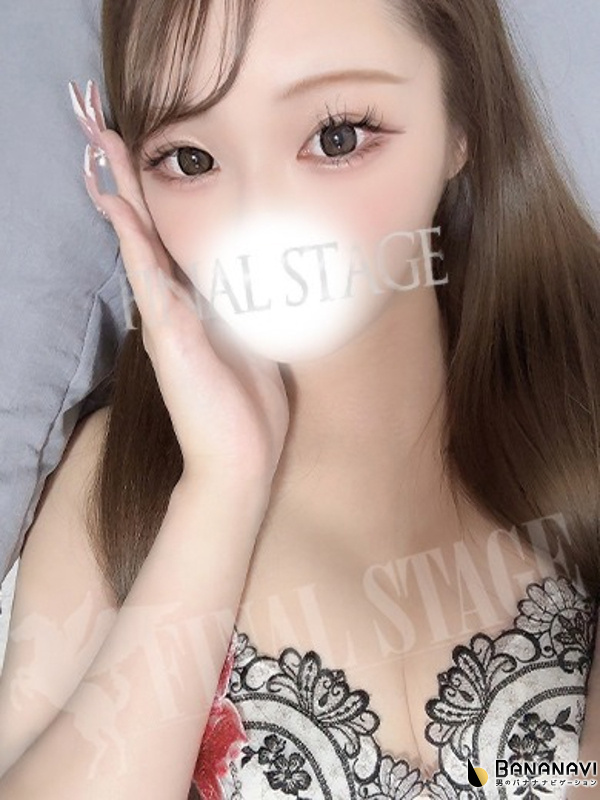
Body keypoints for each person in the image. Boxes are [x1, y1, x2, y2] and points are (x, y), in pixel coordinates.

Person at [0, 0, 598, 797]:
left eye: (338, 136)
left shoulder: (588, 405)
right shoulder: (113, 489)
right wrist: (222, 486)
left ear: (462, 123)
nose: (261, 218)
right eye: (189, 158)